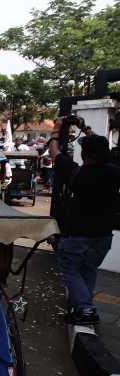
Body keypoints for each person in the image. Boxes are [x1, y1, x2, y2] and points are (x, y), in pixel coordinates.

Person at [54, 134, 120, 325]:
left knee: (70, 269)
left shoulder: (79, 174)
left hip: (78, 236)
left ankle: (86, 308)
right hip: (103, 236)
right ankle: (83, 308)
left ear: (84, 154)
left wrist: (56, 132)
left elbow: (56, 153)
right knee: (88, 270)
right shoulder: (114, 173)